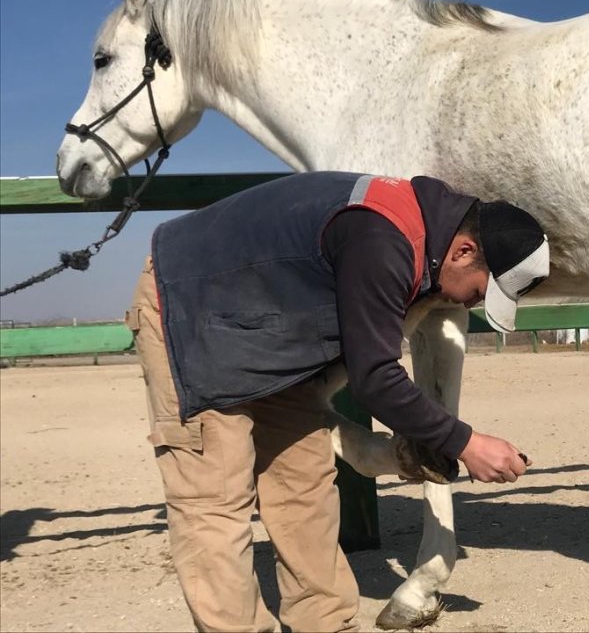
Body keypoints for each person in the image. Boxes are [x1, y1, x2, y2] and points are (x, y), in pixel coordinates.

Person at [126, 171, 550, 632]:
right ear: (464, 251)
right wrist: (466, 443)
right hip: (191, 308)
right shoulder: (384, 239)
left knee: (304, 489)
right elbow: (375, 377)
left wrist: (416, 444)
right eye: (479, 291)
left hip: (268, 329)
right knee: (215, 501)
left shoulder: (420, 239)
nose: (468, 303)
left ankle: (328, 626)